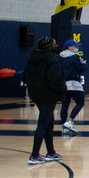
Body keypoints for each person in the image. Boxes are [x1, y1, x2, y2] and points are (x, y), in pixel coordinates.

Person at [25, 36, 66, 164]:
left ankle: (51, 152)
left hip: (35, 94)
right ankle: (34, 155)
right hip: (48, 95)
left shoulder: (33, 57)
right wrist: (62, 91)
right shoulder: (52, 59)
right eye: (54, 44)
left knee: (49, 123)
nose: (56, 45)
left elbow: (25, 75)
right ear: (50, 46)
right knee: (43, 124)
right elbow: (55, 79)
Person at [58, 39, 87, 136]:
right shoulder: (74, 57)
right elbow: (80, 69)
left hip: (63, 84)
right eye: (75, 46)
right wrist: (84, 64)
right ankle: (70, 121)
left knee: (65, 105)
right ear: (69, 47)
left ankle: (64, 124)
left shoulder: (59, 57)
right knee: (80, 102)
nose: (76, 48)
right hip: (74, 84)